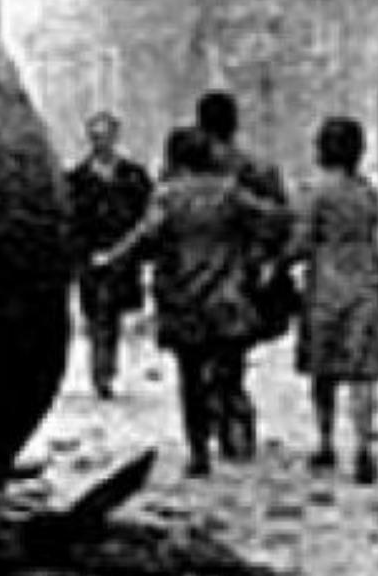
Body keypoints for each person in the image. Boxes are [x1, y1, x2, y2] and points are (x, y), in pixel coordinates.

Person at [96, 128, 287, 476]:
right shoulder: (230, 193)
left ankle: (198, 451)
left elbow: (143, 238)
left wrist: (110, 259)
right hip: (228, 298)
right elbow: (273, 219)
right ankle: (233, 425)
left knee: (190, 379)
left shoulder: (167, 197)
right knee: (229, 368)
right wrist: (255, 254)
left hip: (184, 300)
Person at [290, 116, 378, 484]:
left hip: (326, 285)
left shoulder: (314, 192)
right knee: (362, 374)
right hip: (367, 282)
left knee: (324, 372)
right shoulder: (365, 191)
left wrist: (275, 261)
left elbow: (302, 243)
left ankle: (325, 442)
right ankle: (363, 447)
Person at [196, 89, 294, 462]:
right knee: (231, 352)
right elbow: (279, 219)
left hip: (193, 277)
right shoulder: (258, 167)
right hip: (241, 276)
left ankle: (212, 421)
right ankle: (233, 417)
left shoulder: (185, 169)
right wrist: (266, 260)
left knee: (202, 351)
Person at [63, 114, 151, 401]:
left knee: (111, 315)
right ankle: (102, 372)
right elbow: (70, 219)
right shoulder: (76, 179)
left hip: (123, 255)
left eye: (106, 136)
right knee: (99, 315)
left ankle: (105, 369)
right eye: (96, 136)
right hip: (91, 257)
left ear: (115, 138)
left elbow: (146, 214)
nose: (101, 142)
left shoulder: (133, 176)